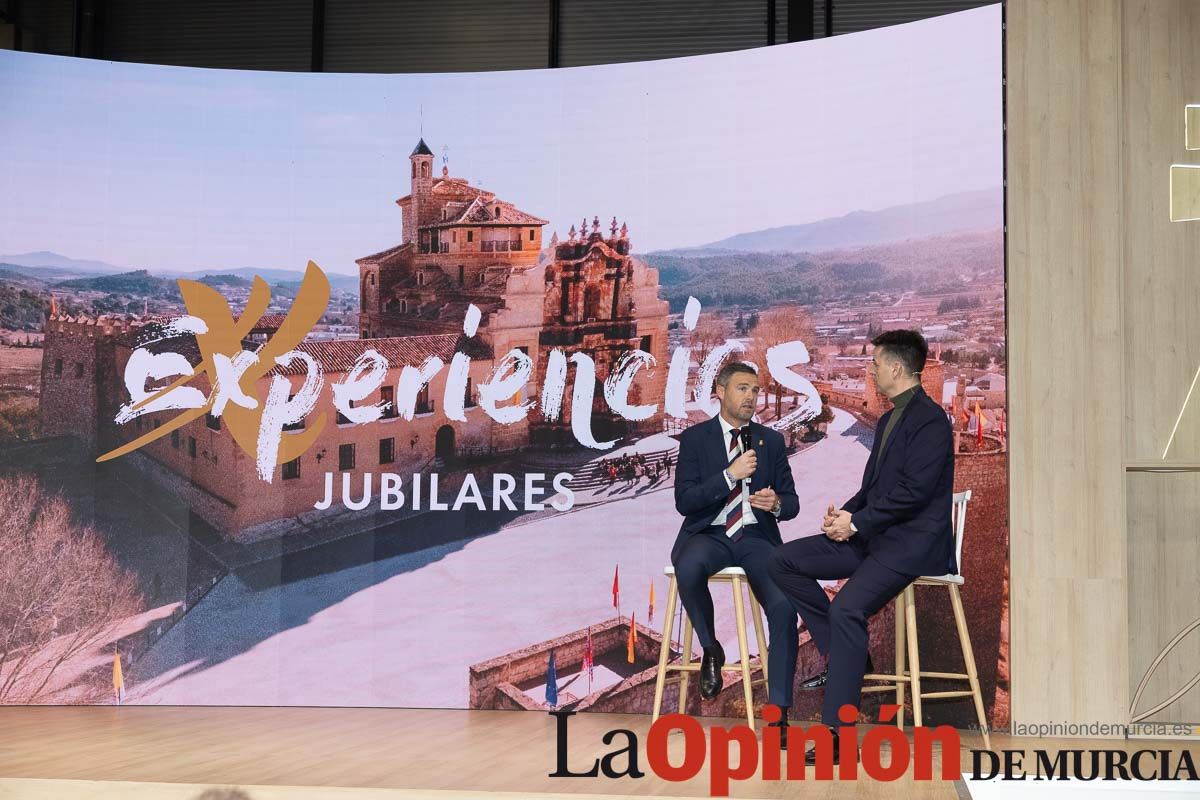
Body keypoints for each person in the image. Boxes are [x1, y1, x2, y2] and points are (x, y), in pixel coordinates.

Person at [768, 330, 955, 764]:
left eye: (874, 364)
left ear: (895, 368)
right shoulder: (890, 419)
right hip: (874, 537)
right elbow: (872, 489)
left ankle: (838, 735)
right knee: (783, 560)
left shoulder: (931, 421)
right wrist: (845, 516)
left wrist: (857, 523)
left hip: (910, 545)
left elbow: (914, 492)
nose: (869, 371)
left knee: (847, 608)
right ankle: (846, 651)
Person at [671, 361, 801, 741]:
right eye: (742, 388)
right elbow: (685, 500)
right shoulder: (695, 439)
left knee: (783, 608)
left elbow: (792, 503)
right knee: (688, 566)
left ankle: (777, 715)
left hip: (755, 538)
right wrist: (730, 475)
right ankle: (711, 649)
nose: (751, 397)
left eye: (755, 391)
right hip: (709, 533)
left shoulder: (771, 442)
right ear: (721, 391)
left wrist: (775, 503)